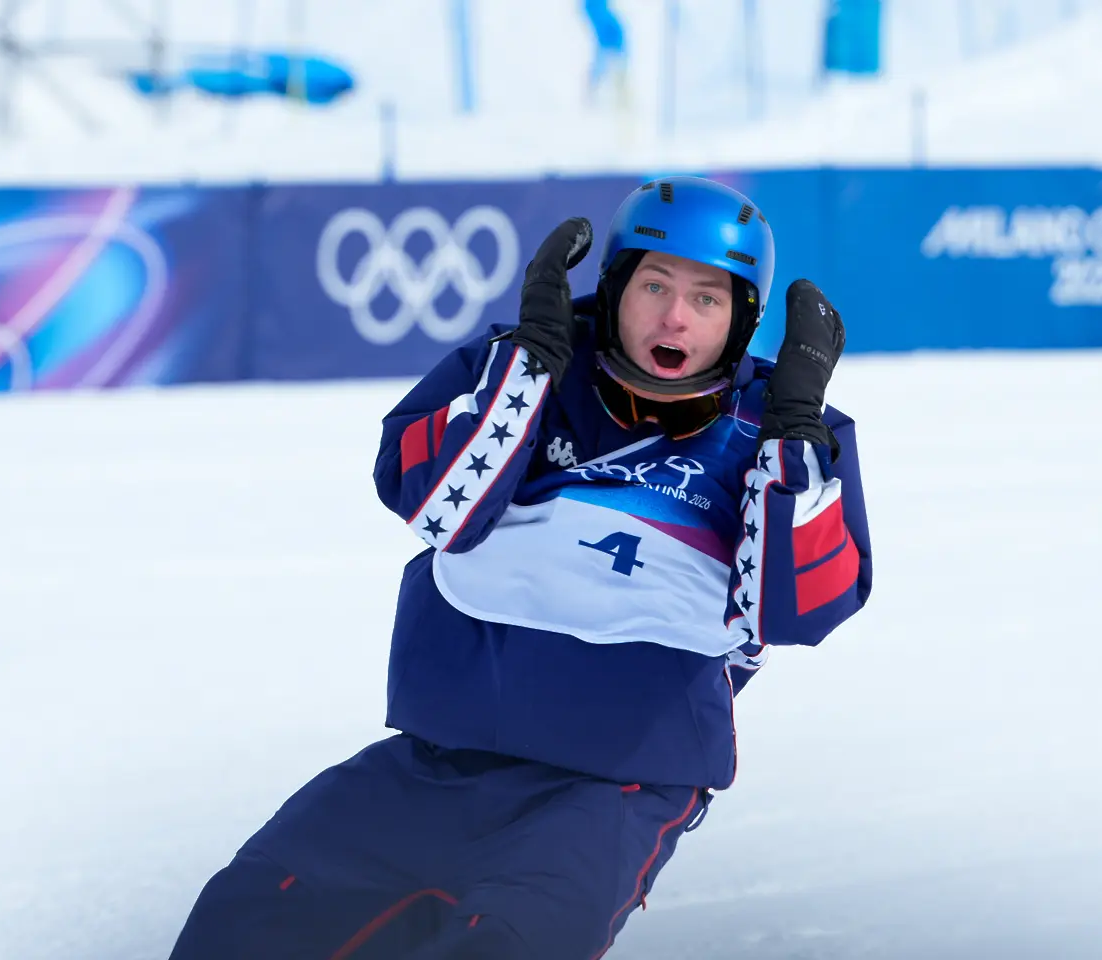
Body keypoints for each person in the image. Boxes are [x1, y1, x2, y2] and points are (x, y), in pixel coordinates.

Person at [168, 176, 873, 959]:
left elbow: (799, 608)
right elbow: (439, 507)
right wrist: (529, 368)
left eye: (707, 299)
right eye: (654, 286)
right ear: (613, 286)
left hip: (612, 787)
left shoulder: (777, 428)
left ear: (743, 319)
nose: (675, 318)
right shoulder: (521, 367)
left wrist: (792, 442)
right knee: (242, 919)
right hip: (436, 760)